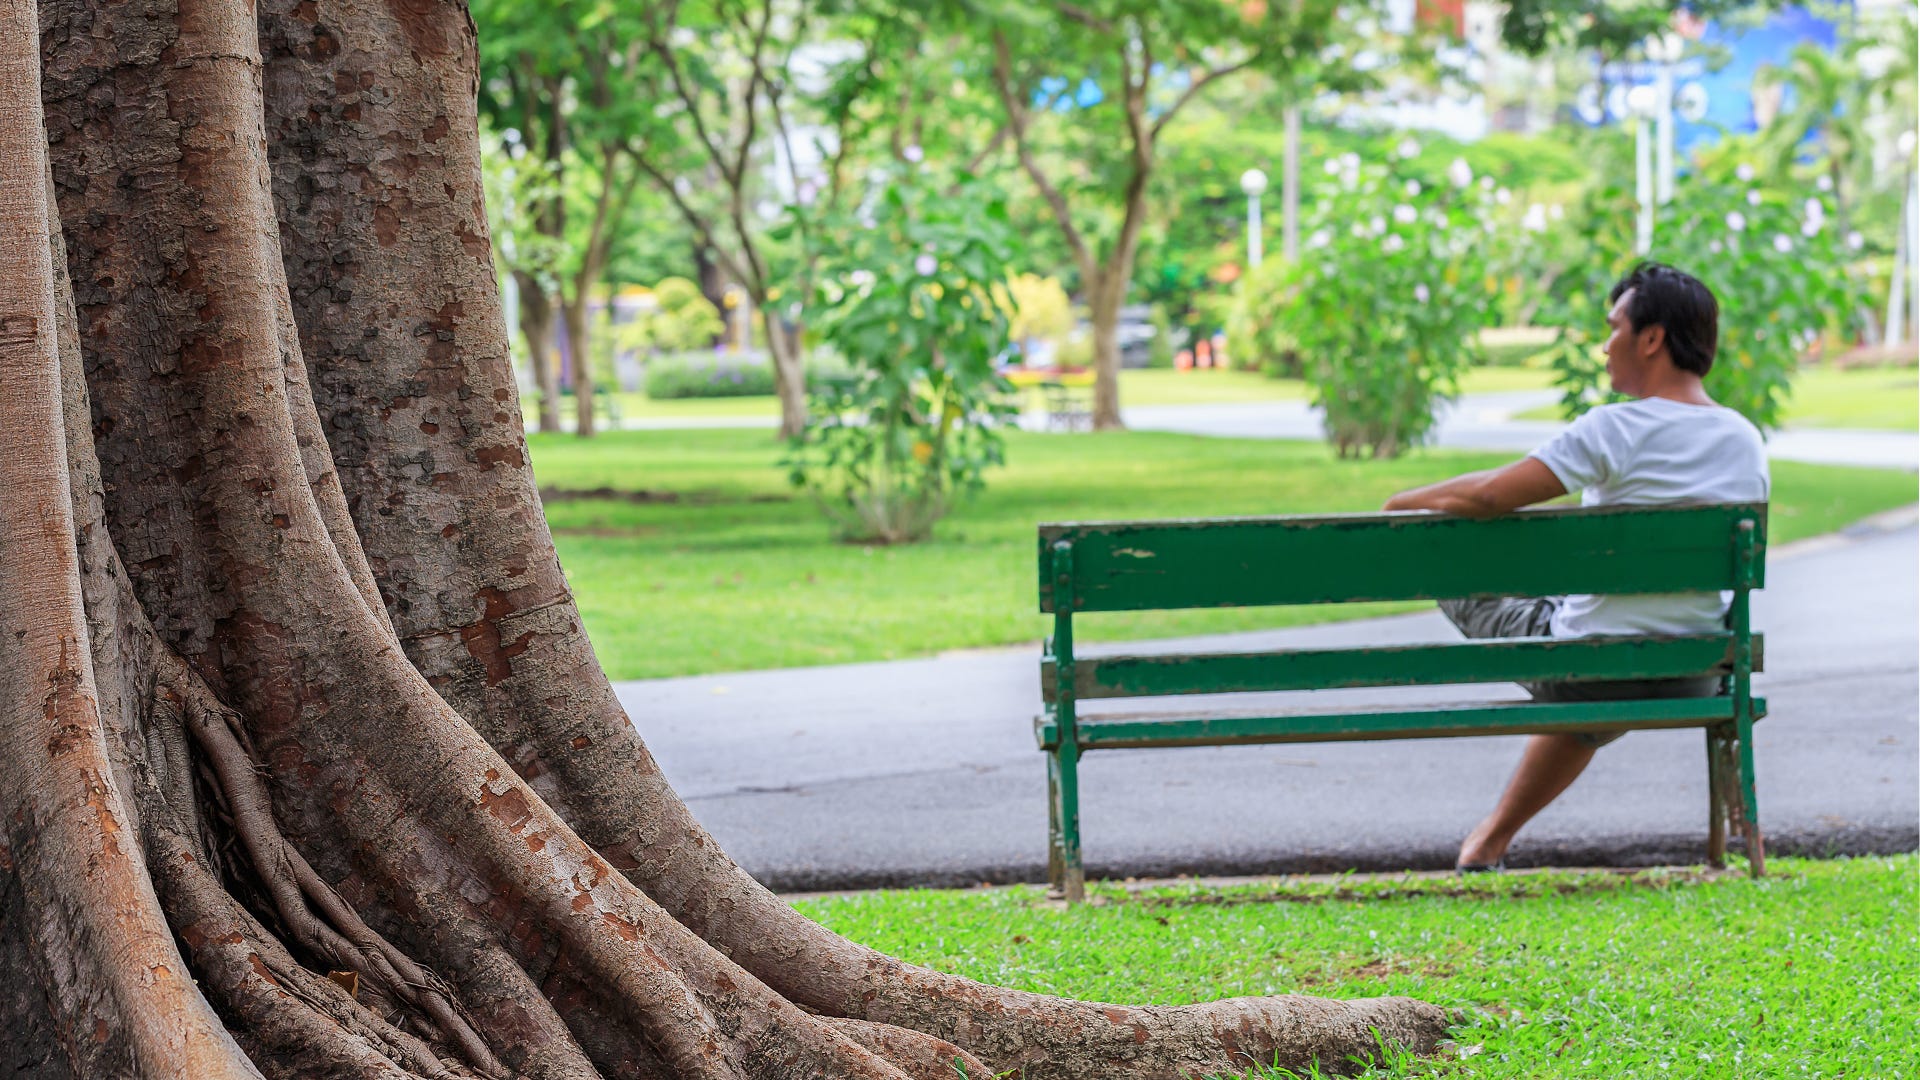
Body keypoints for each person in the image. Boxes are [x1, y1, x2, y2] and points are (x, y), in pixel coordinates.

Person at [1381, 263, 1769, 871]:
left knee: (1443, 558)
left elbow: (1488, 497)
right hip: (1695, 666)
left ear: (1651, 338)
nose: (1604, 343)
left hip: (1590, 664)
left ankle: (1487, 841)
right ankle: (1488, 841)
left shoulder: (1611, 428)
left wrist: (1404, 504)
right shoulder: (1745, 439)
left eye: (1613, 327)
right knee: (1601, 662)